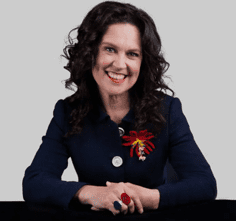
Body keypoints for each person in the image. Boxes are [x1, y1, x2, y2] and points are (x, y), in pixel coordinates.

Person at [22, 1, 217, 216]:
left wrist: (151, 198)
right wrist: (89, 193)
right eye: (109, 49)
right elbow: (35, 182)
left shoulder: (168, 110)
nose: (120, 64)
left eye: (132, 54)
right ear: (90, 53)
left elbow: (204, 183)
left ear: (143, 62)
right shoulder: (66, 112)